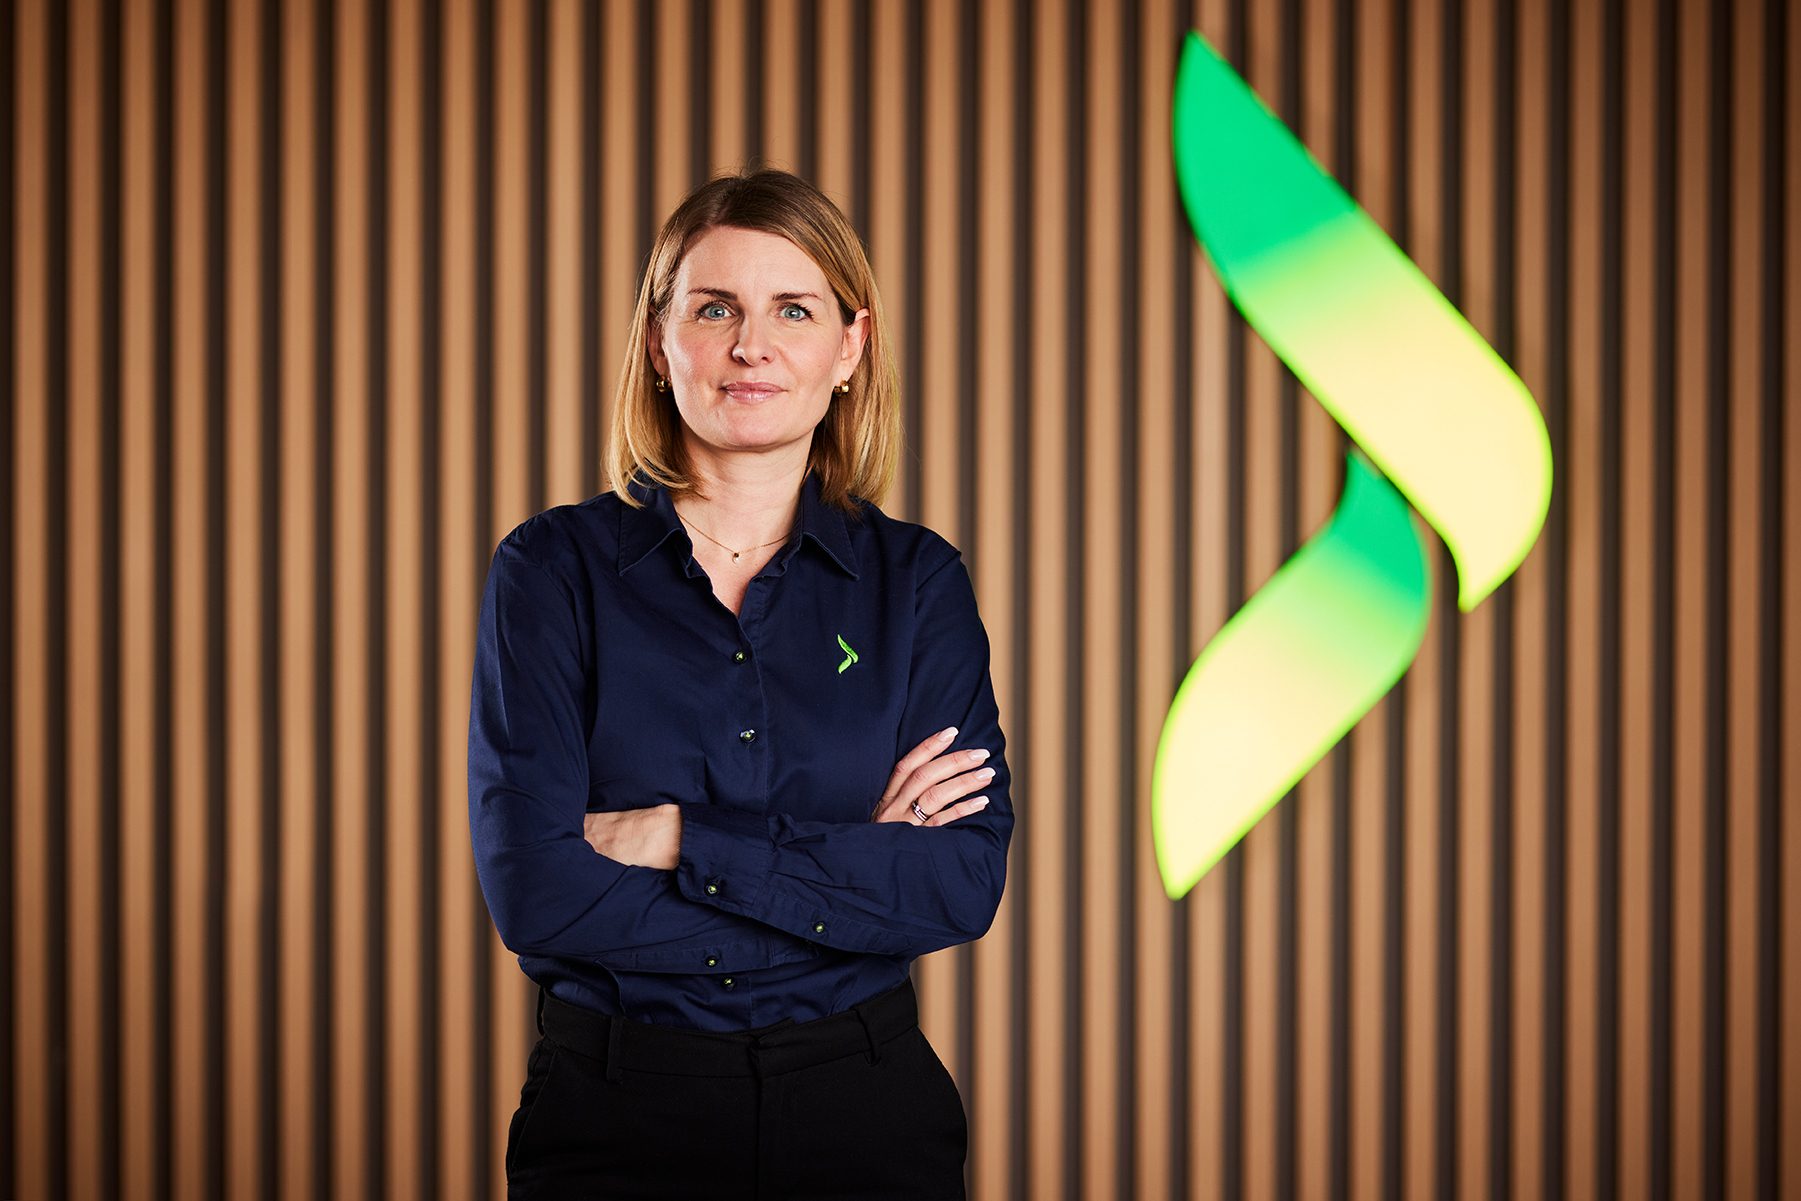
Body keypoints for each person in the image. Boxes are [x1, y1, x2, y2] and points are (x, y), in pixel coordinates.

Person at [468, 168, 1013, 1199]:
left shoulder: (918, 583)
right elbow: (537, 895)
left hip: (867, 1117)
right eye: (713, 307)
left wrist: (676, 838)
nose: (749, 345)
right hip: (619, 1120)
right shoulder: (549, 572)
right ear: (657, 341)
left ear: (847, 347)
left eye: (793, 310)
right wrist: (856, 871)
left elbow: (958, 883)